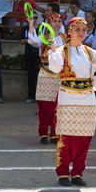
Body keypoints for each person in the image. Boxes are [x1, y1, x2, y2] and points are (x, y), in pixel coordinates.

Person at [48, 17, 96, 186]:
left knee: (84, 137)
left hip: (88, 99)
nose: (81, 33)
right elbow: (55, 68)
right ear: (69, 31)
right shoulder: (62, 50)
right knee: (66, 136)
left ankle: (77, 172)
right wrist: (54, 51)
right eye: (78, 29)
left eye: (84, 30)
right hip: (67, 97)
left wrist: (94, 82)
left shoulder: (90, 52)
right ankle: (63, 172)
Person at [28, 12, 67, 144]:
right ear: (49, 23)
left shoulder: (65, 38)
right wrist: (31, 24)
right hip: (45, 74)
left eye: (59, 21)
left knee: (58, 106)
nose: (57, 24)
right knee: (44, 106)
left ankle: (55, 133)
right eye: (54, 21)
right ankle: (43, 133)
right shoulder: (44, 37)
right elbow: (32, 41)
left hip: (59, 76)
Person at [19, 13, 40, 103]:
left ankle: (39, 96)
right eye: (32, 18)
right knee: (30, 75)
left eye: (35, 18)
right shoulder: (25, 29)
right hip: (29, 54)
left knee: (38, 76)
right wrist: (30, 39)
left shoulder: (40, 28)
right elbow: (21, 40)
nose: (33, 19)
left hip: (38, 55)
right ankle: (31, 96)